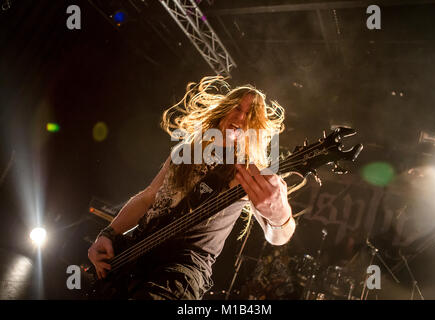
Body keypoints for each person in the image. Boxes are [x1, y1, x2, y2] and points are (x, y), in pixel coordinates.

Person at [87, 76, 297, 299]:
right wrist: (108, 234)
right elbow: (148, 196)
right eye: (237, 108)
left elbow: (279, 236)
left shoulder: (247, 171)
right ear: (224, 111)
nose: (241, 117)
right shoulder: (186, 151)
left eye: (250, 114)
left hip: (180, 269)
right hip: (134, 252)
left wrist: (281, 216)